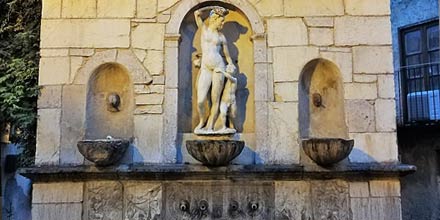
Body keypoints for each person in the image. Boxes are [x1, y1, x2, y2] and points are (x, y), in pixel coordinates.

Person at [193, 6, 236, 134]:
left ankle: (210, 127)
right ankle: (202, 121)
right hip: (206, 67)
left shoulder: (222, 37)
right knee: (201, 100)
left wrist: (230, 64)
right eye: (221, 20)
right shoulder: (204, 30)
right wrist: (213, 7)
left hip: (218, 67)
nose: (222, 23)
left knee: (215, 99)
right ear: (214, 19)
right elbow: (197, 13)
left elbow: (227, 56)